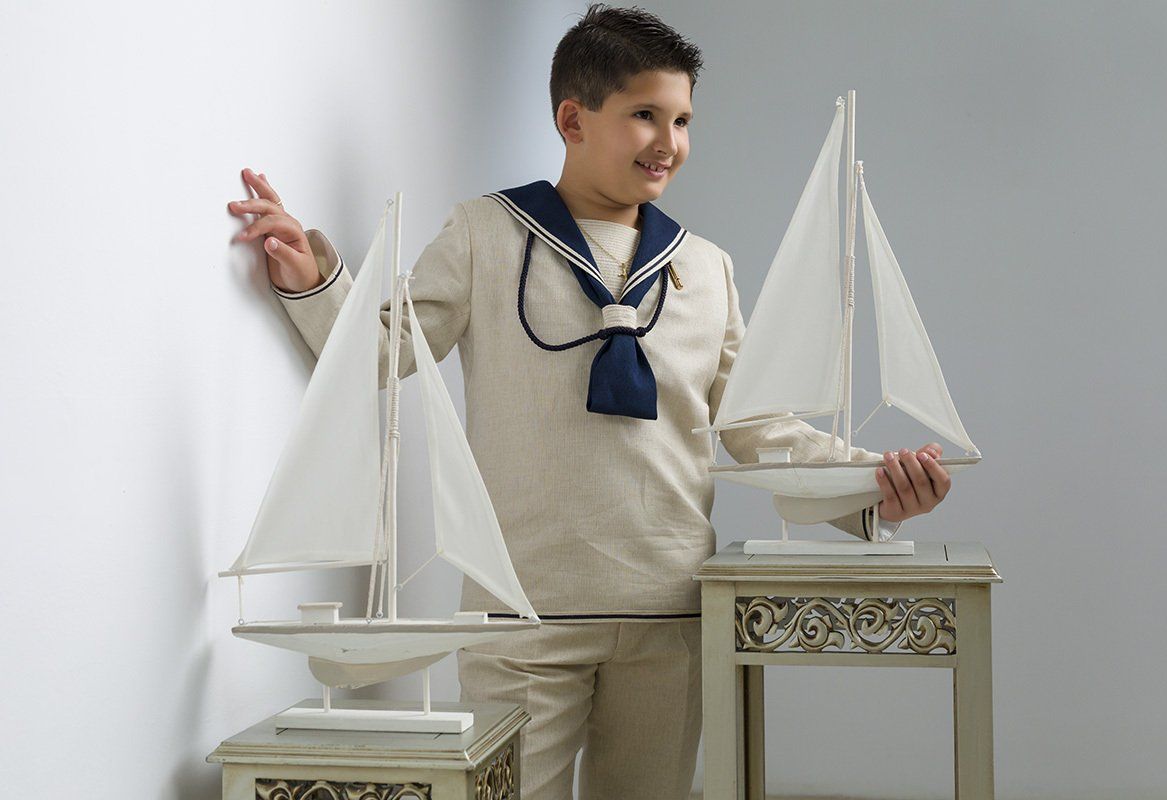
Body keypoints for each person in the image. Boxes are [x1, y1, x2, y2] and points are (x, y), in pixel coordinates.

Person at [225, 5, 952, 797]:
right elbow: (388, 351)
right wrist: (315, 280)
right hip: (520, 617)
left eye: (682, 120)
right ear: (573, 119)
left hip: (670, 616)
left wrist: (869, 486)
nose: (668, 142)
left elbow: (758, 425)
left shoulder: (706, 270)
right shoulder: (484, 235)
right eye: (644, 115)